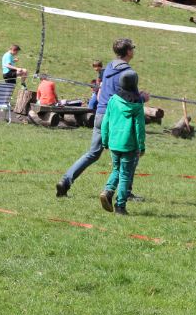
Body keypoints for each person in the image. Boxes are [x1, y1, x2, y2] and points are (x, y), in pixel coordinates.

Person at [55, 39, 149, 198]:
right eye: (132, 48)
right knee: (132, 153)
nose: (133, 50)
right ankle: (125, 192)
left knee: (93, 153)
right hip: (116, 118)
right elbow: (130, 101)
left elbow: (107, 93)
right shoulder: (128, 73)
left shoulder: (109, 68)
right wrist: (142, 98)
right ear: (128, 51)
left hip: (100, 114)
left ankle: (65, 181)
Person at [98, 71, 146, 216]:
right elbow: (139, 127)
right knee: (125, 175)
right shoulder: (137, 104)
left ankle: (108, 191)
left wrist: (105, 140)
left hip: (114, 143)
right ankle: (120, 206)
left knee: (116, 169)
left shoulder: (113, 100)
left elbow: (105, 121)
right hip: (129, 145)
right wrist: (141, 146)